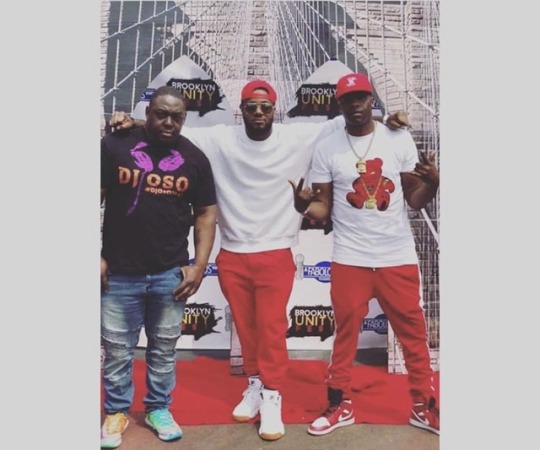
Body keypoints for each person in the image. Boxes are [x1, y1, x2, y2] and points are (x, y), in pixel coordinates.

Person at [109, 80, 408, 441]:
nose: (259, 113)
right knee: (247, 329)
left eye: (265, 107)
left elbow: (351, 118)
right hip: (233, 253)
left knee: (271, 330)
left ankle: (272, 396)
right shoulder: (220, 138)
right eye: (251, 107)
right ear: (242, 110)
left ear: (275, 110)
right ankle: (255, 384)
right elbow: (170, 125)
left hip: (275, 251)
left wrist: (389, 120)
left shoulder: (296, 137)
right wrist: (132, 122)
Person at [289, 72, 440, 436]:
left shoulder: (397, 138)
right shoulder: (328, 147)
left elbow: (414, 199)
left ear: (372, 100)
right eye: (348, 99)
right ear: (338, 104)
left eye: (361, 97)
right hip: (351, 258)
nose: (355, 105)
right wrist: (304, 207)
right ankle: (339, 404)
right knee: (345, 335)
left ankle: (424, 406)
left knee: (413, 335)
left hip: (396, 255)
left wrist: (434, 184)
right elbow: (323, 208)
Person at [100, 86, 217, 448]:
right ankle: (116, 411)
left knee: (164, 350)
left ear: (184, 118)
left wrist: (199, 265)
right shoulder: (115, 145)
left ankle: (158, 408)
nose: (168, 122)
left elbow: (206, 213)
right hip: (119, 272)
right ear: (147, 113)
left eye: (176, 117)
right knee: (117, 350)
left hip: (169, 273)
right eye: (161, 114)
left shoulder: (194, 158)